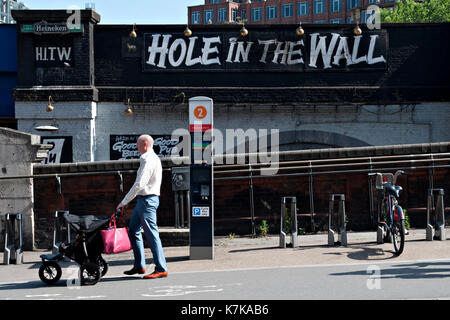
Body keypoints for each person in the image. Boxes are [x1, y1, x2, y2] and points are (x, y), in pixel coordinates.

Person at [116, 134, 168, 279]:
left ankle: (161, 268)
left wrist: (124, 201)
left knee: (152, 234)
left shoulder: (147, 159)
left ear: (145, 144)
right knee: (133, 231)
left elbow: (140, 183)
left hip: (147, 201)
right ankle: (139, 265)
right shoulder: (154, 158)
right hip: (144, 201)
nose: (136, 147)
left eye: (138, 144)